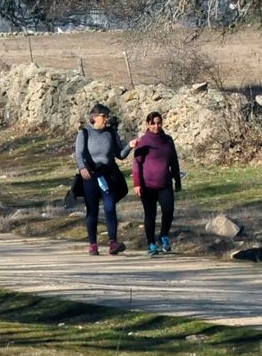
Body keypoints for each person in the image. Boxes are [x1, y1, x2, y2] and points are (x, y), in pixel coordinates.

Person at [74, 102, 130, 255]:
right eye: (103, 116)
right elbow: (79, 153)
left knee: (110, 207)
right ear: (94, 117)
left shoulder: (110, 133)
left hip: (108, 175)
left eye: (107, 116)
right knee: (92, 210)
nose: (106, 119)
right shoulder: (84, 133)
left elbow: (120, 154)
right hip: (90, 176)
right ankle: (93, 244)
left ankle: (113, 242)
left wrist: (130, 146)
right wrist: (82, 168)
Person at [131, 110, 184, 256]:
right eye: (153, 123)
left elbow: (174, 162)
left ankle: (163, 235)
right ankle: (151, 244)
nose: (156, 126)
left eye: (158, 123)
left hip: (165, 183)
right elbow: (136, 164)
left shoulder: (168, 140)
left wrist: (177, 180)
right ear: (148, 124)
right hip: (147, 185)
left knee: (168, 210)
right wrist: (137, 184)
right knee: (150, 215)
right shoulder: (143, 141)